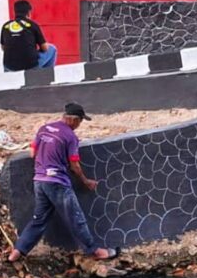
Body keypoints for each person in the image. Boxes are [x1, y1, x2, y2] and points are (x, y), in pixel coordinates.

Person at [8, 102, 118, 262]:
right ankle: (95, 251)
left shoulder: (44, 128)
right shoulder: (70, 137)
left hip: (39, 180)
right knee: (76, 217)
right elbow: (74, 164)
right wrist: (86, 181)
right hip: (57, 182)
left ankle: (17, 252)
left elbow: (33, 153)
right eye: (80, 121)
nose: (79, 125)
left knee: (39, 220)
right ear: (74, 120)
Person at [1, 0, 57, 72]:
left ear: (15, 12)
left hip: (9, 67)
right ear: (29, 13)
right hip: (30, 66)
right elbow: (45, 48)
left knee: (9, 59)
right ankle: (46, 76)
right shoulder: (32, 25)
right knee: (52, 49)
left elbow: (3, 48)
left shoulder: (6, 26)